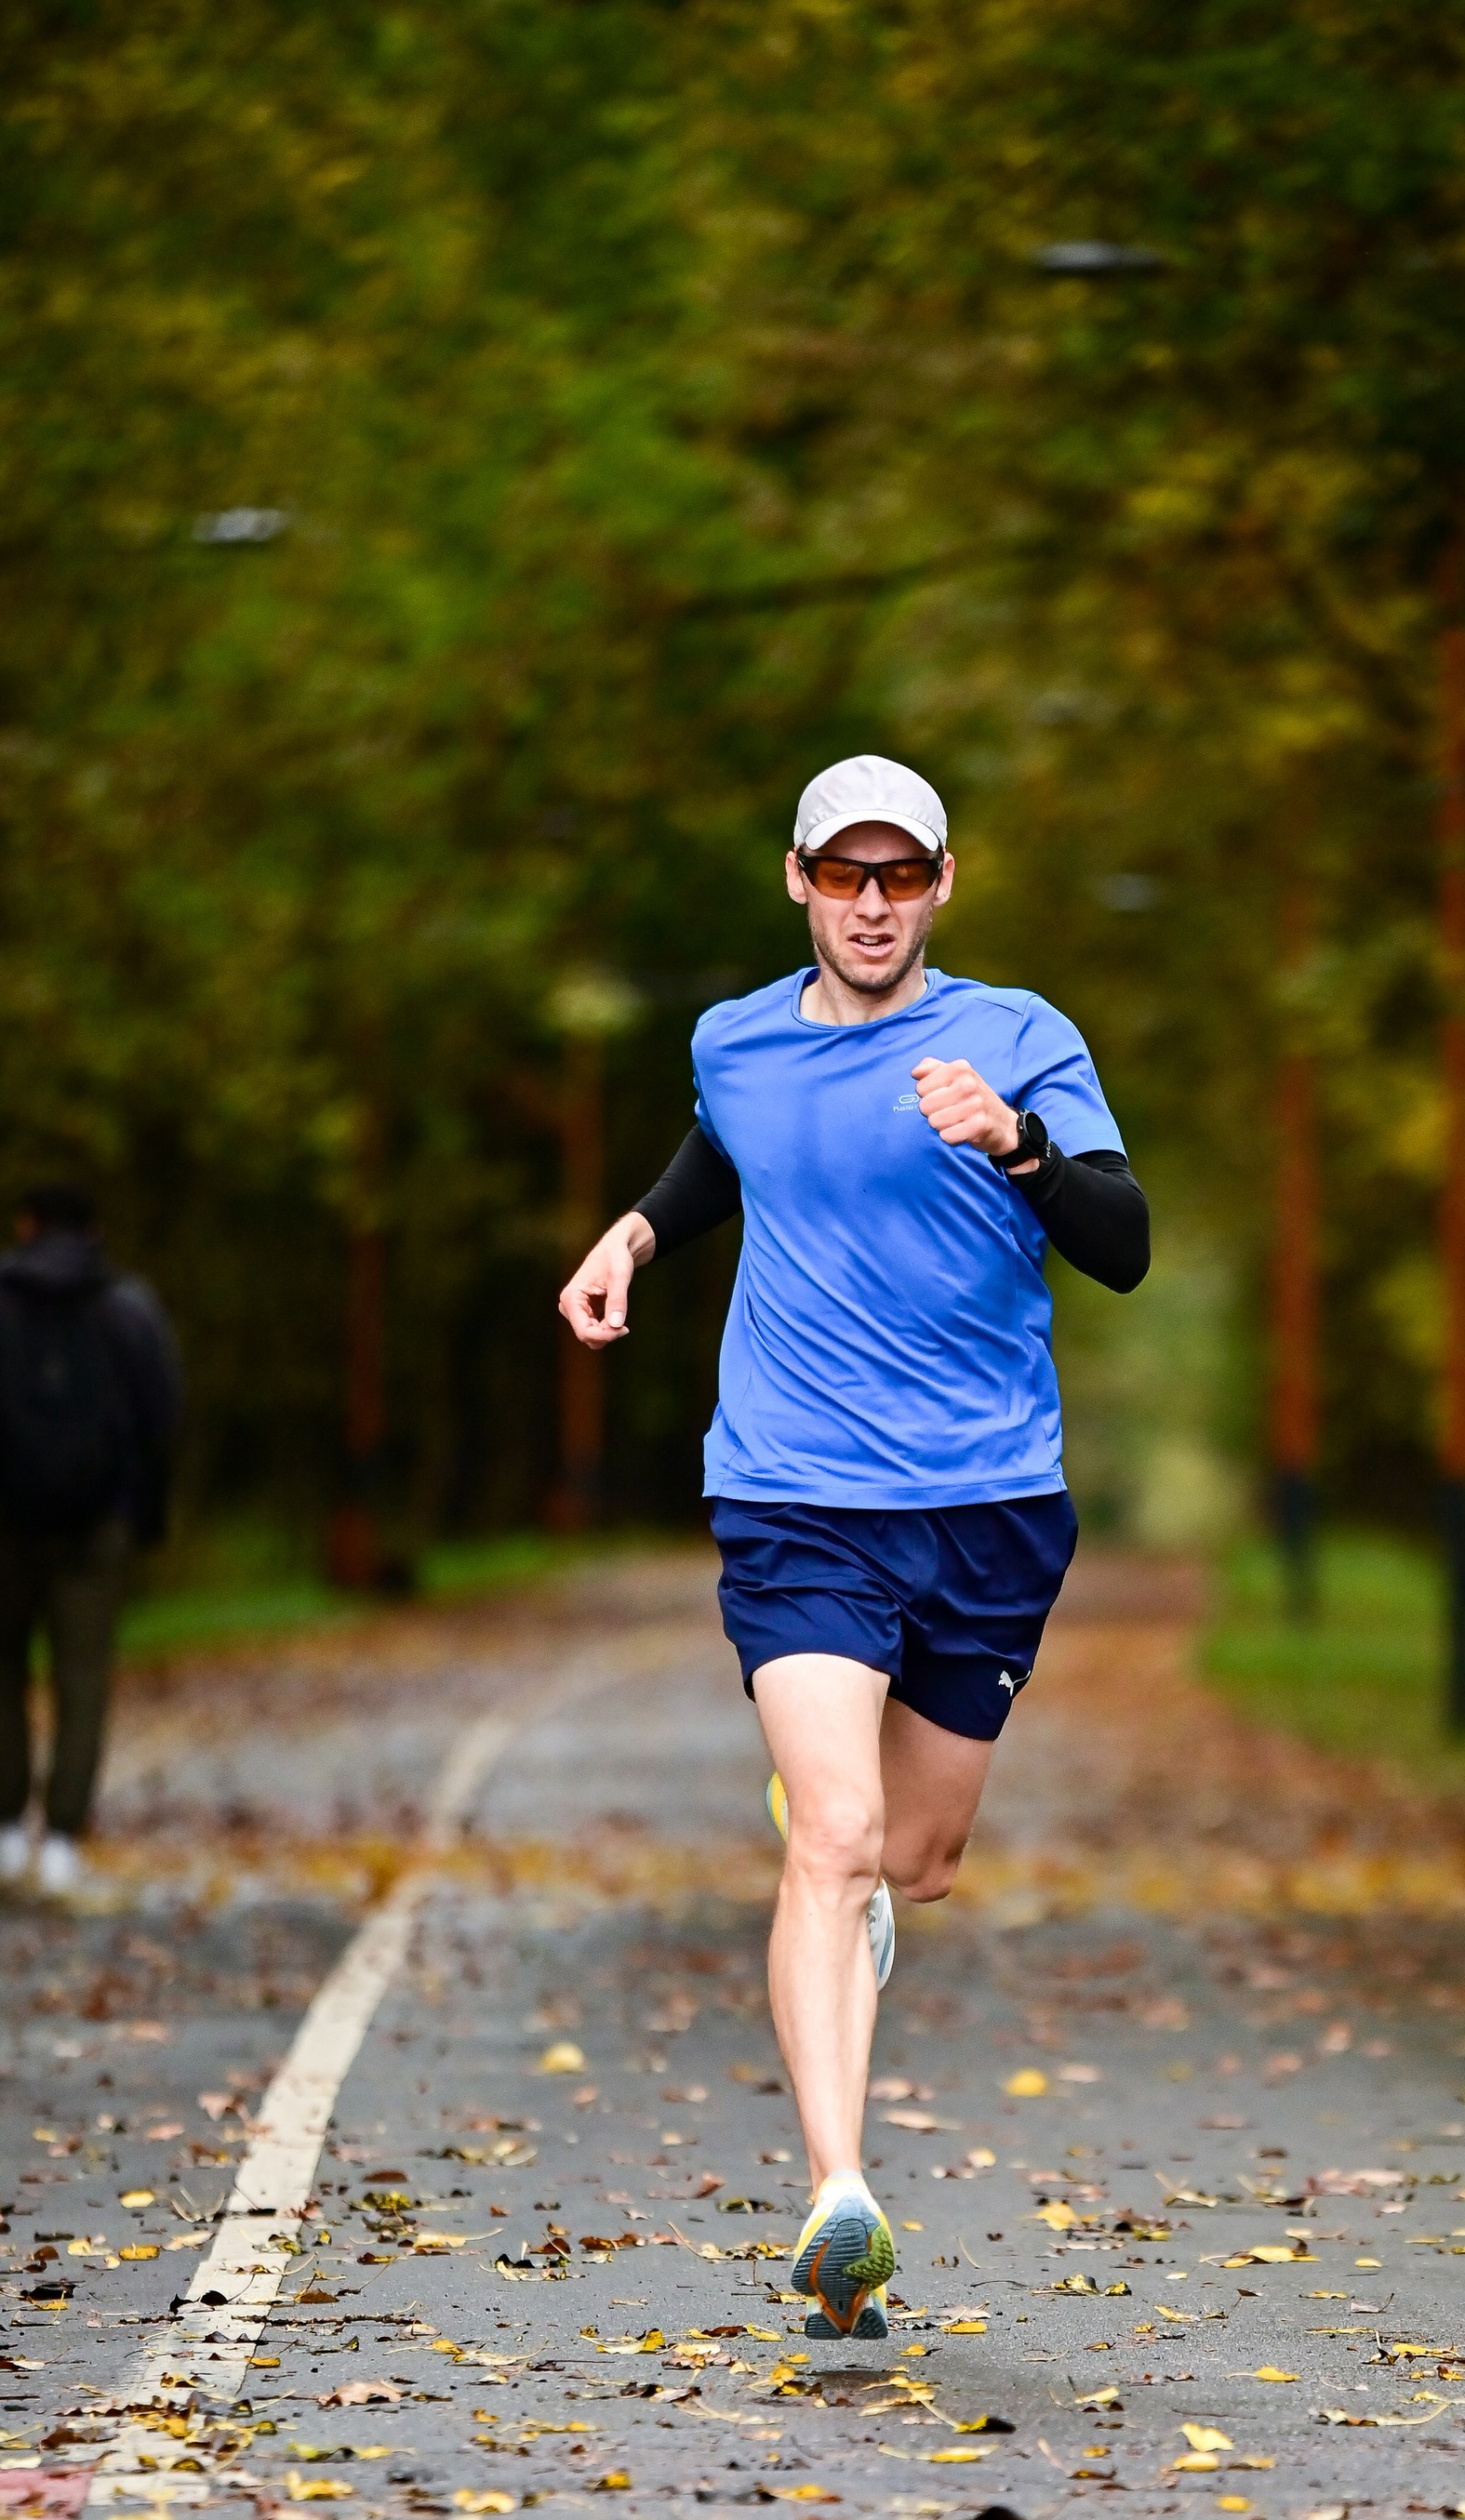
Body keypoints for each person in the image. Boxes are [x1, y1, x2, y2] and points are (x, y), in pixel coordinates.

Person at [557, 752, 1149, 2341]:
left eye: (901, 876)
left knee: (916, 1856)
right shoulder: (732, 1040)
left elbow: (1124, 1240)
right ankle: (838, 2193)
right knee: (832, 1831)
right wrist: (632, 1234)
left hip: (990, 1501)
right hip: (796, 1489)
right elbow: (724, 1155)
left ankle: (858, 1837)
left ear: (943, 884)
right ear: (801, 881)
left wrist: (1017, 1142)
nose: (871, 903)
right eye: (844, 874)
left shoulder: (1020, 1037)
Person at [0, 1186, 181, 1896]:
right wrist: (143, 1516)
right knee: (84, 1677)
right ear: (94, 1232)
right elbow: (161, 1421)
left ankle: (7, 1834)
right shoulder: (130, 1311)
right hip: (97, 1526)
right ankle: (63, 1839)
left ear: (24, 1225)